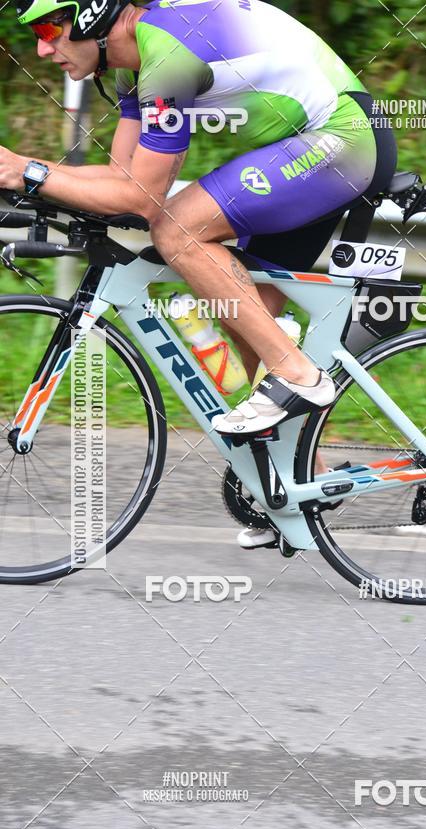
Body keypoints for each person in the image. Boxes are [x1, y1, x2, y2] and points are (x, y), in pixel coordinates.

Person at [2, 0, 398, 547]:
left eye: (50, 28)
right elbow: (120, 178)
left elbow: (141, 199)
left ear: (92, 14)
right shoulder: (133, 67)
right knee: (246, 314)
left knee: (178, 230)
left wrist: (28, 169)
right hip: (305, 148)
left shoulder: (167, 54)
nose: (44, 49)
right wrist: (29, 182)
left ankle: (302, 377)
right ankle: (303, 480)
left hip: (343, 141)